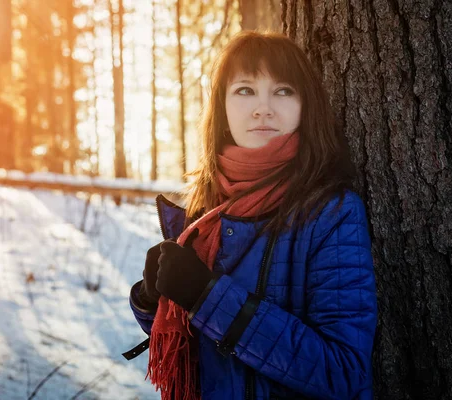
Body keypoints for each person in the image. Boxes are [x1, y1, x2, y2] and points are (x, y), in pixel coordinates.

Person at [123, 30, 378, 400]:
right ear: (223, 108)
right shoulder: (205, 211)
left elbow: (342, 371)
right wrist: (151, 298)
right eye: (245, 90)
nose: (263, 108)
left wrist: (206, 297)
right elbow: (199, 348)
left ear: (305, 107)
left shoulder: (331, 212)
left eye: (283, 90)